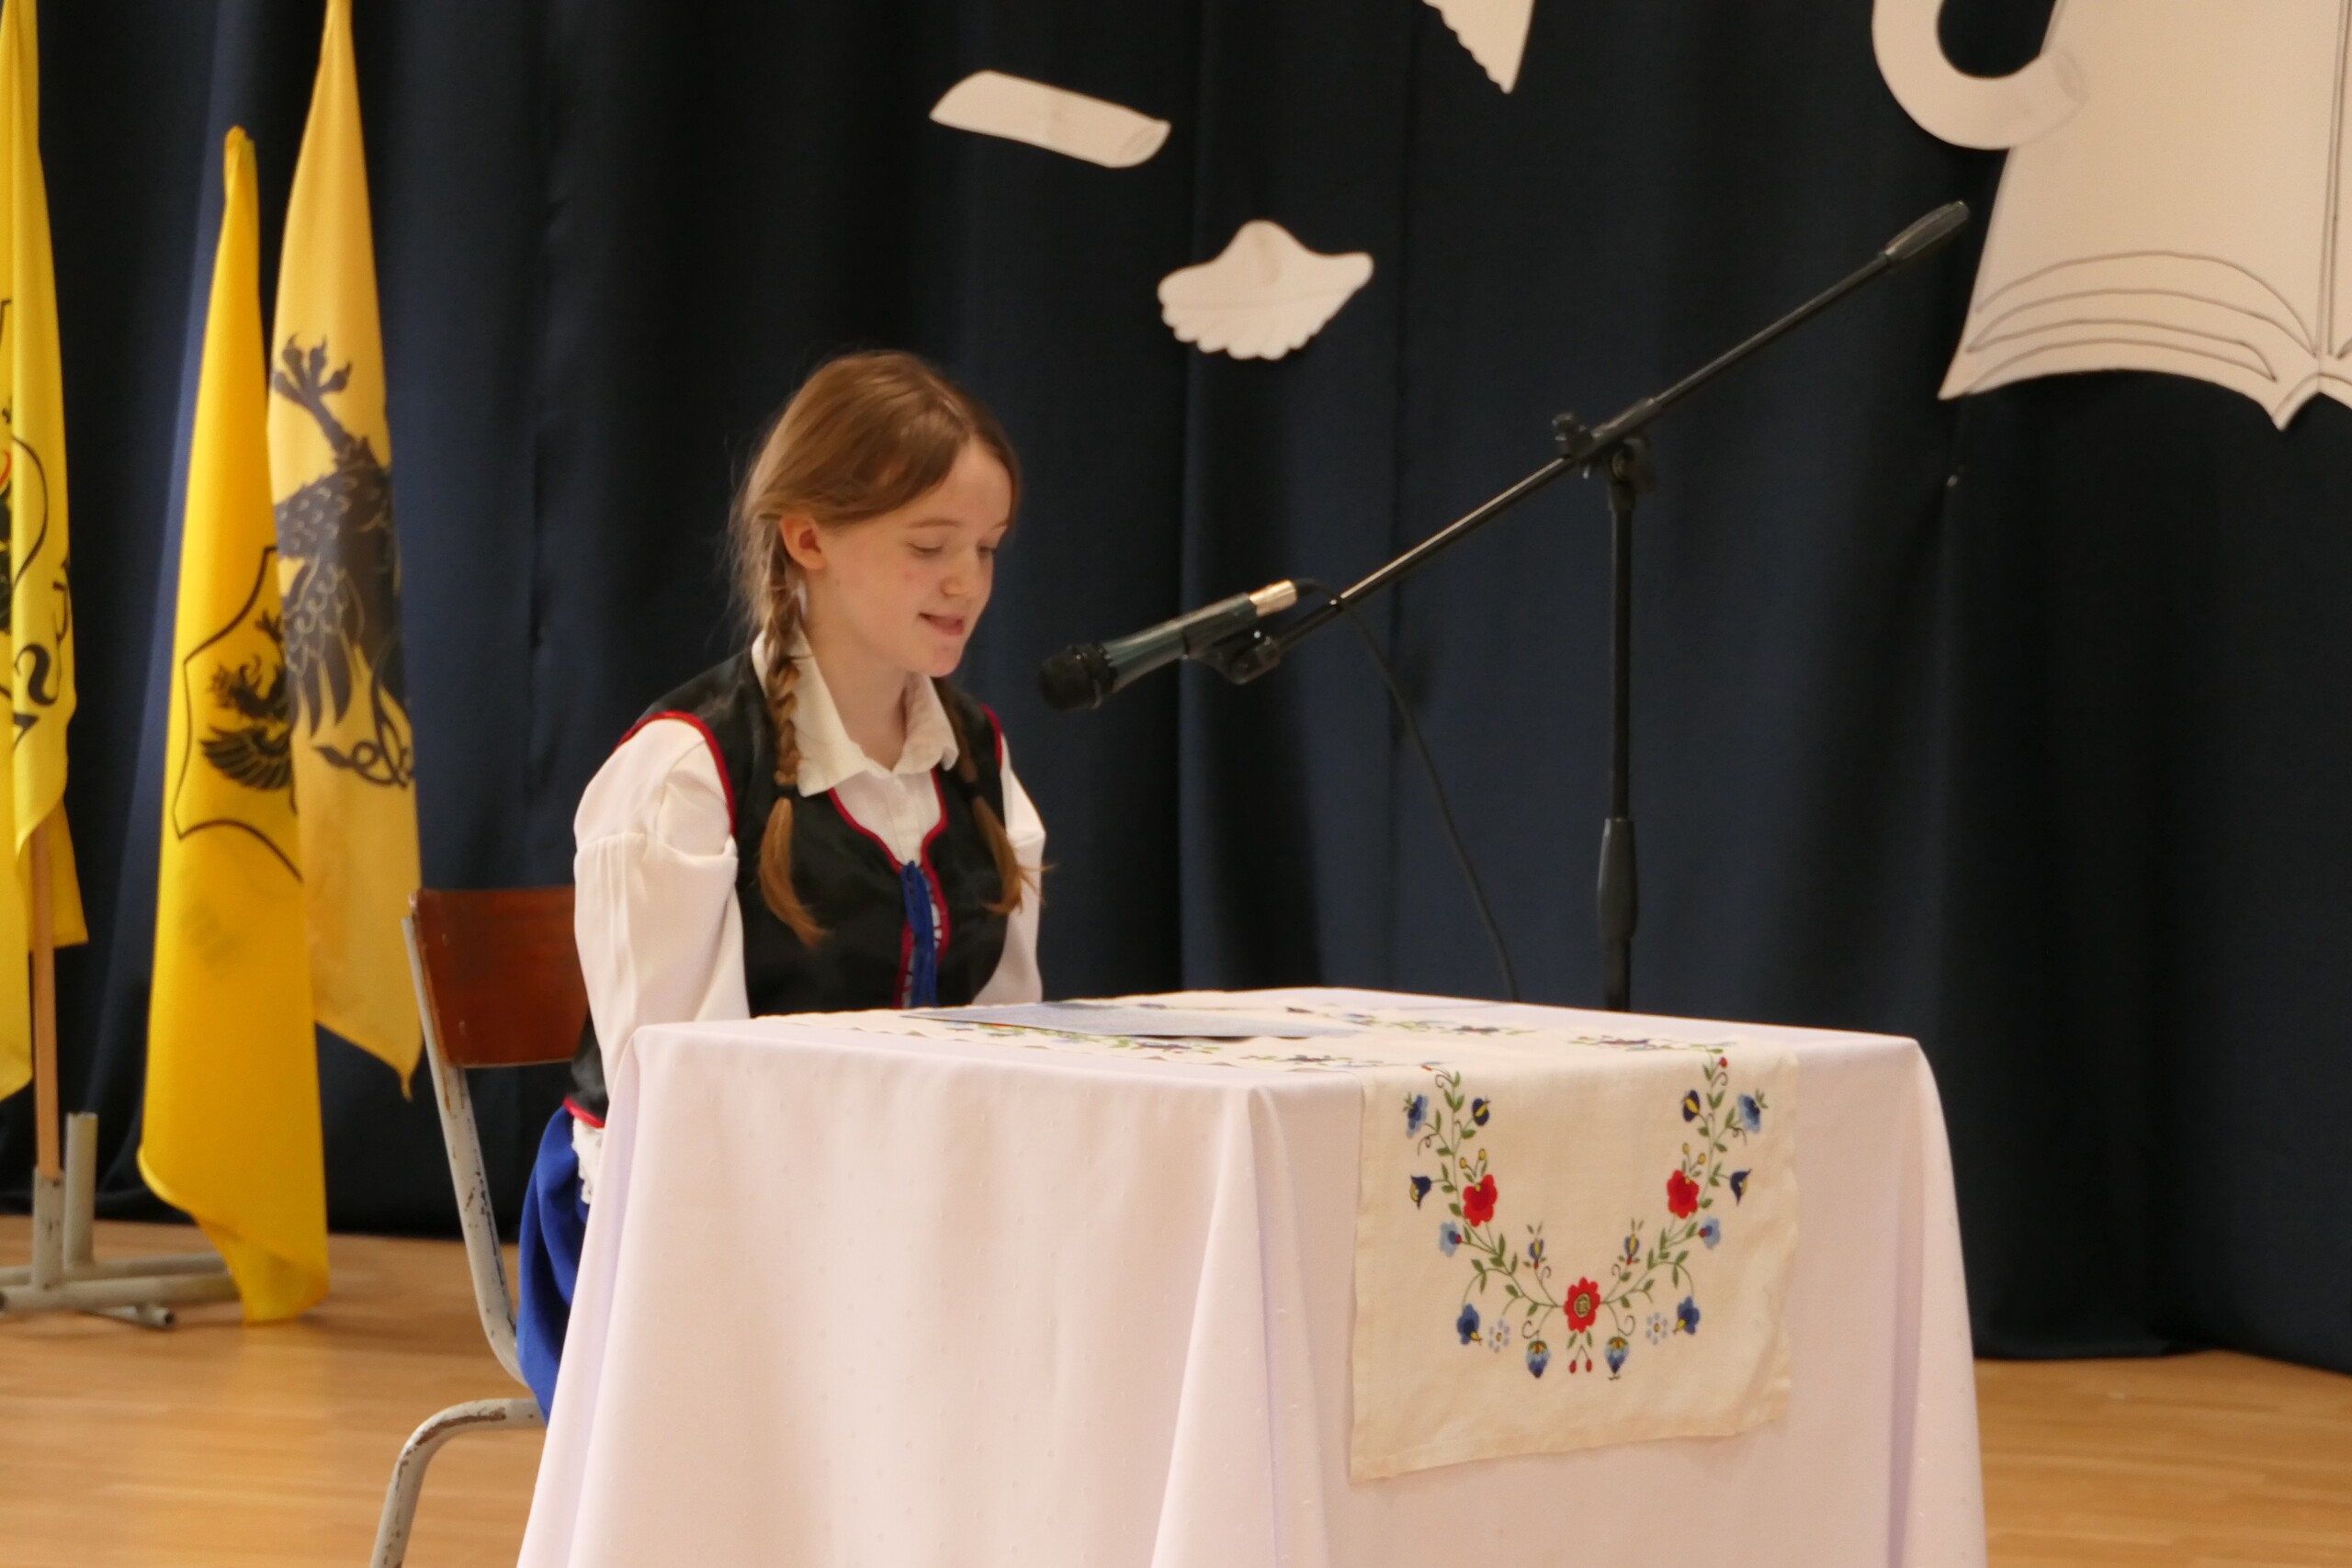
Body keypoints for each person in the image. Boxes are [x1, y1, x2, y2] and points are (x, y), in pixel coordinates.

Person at [514, 352, 1046, 1414]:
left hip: (898, 1208)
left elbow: (1011, 1043)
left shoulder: (976, 760)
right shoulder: (688, 769)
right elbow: (669, 1105)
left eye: (985, 549)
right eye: (929, 547)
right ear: (808, 538)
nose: (967, 583)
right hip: (680, 1225)